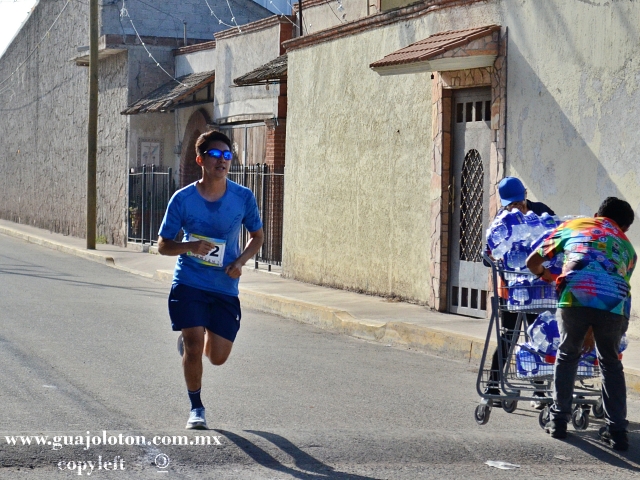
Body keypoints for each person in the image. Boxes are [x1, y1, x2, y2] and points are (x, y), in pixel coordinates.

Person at [157, 130, 264, 429]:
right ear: (200, 160)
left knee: (217, 357)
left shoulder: (243, 197)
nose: (222, 161)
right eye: (215, 155)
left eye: (227, 155)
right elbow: (163, 245)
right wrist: (190, 246)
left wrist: (240, 262)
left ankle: (194, 342)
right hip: (189, 282)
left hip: (224, 286)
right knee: (194, 345)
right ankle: (196, 408)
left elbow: (257, 236)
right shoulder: (183, 199)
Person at [526, 197, 635, 450]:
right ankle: (617, 431)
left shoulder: (573, 226)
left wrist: (545, 275)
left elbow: (532, 261)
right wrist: (592, 330)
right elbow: (617, 282)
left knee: (567, 355)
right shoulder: (629, 248)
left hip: (574, 294)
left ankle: (558, 421)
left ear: (596, 214)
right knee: (610, 363)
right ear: (625, 228)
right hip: (614, 304)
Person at [485, 177, 555, 409]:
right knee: (508, 336)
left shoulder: (542, 212)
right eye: (510, 204)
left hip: (538, 291)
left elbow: (557, 239)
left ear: (525, 194)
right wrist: (495, 256)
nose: (515, 207)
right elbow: (488, 254)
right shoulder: (501, 221)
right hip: (511, 292)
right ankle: (493, 386)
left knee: (538, 338)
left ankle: (539, 390)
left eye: (518, 202)